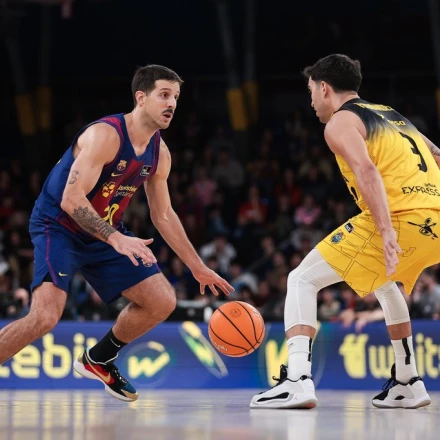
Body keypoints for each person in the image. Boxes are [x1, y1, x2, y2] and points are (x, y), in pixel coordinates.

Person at [0, 65, 234, 402]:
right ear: (141, 98)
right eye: (164, 95)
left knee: (162, 301)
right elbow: (71, 199)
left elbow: (163, 214)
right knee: (45, 317)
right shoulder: (105, 135)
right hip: (59, 225)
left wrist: (197, 267)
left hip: (104, 231)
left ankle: (98, 359)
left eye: (176, 97)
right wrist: (115, 237)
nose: (172, 103)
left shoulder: (160, 153)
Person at [251, 54, 439, 409]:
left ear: (324, 88)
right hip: (436, 218)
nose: (310, 101)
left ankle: (297, 380)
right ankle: (408, 381)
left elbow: (366, 170)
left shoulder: (341, 121)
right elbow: (437, 155)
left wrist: (386, 229)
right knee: (384, 282)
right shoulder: (392, 115)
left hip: (401, 217)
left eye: (311, 90)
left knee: (301, 279)